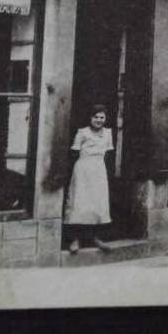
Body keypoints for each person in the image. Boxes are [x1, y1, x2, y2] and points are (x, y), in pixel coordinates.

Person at [64, 104, 114, 254]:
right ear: (90, 118)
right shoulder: (82, 132)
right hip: (83, 171)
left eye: (102, 117)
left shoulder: (108, 133)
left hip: (99, 171)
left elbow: (109, 155)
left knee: (97, 204)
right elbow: (74, 153)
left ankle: (96, 238)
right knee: (80, 203)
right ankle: (75, 240)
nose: (99, 120)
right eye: (96, 117)